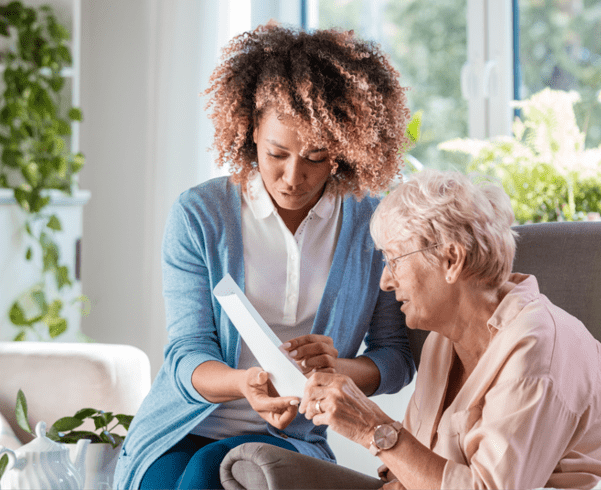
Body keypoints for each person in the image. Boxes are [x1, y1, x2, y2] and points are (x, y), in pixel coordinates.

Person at [113, 24, 415, 490]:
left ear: (343, 150)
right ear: (252, 130)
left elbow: (395, 358)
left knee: (206, 475)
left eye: (316, 157)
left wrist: (335, 371)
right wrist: (243, 384)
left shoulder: (371, 227)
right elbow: (187, 352)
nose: (293, 176)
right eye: (277, 153)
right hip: (184, 425)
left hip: (289, 434)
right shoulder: (199, 215)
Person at [300, 169, 601, 489]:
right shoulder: (439, 344)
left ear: (451, 260)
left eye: (395, 260)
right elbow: (417, 470)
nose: (386, 281)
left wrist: (371, 427)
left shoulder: (539, 348)